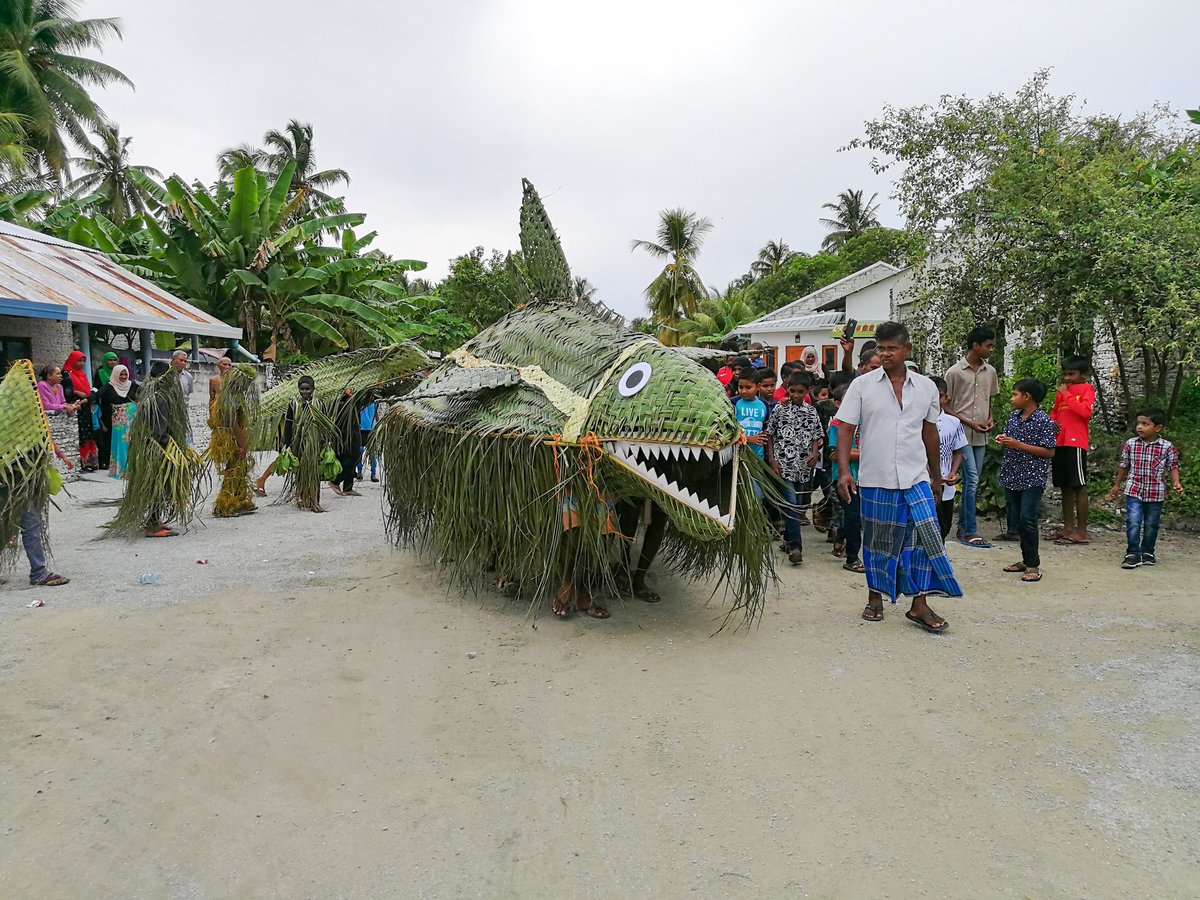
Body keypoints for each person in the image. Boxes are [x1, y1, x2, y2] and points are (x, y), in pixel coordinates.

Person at [835, 321, 959, 633]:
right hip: (876, 477)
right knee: (878, 540)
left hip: (915, 475)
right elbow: (846, 428)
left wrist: (936, 476)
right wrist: (845, 471)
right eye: (881, 348)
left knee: (923, 538)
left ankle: (919, 605)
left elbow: (930, 432)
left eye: (891, 348)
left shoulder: (927, 388)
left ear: (907, 349)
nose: (885, 354)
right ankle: (875, 597)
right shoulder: (862, 386)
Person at [106, 362, 203, 538]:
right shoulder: (162, 397)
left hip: (145, 445)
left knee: (153, 485)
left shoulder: (146, 391)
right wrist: (173, 452)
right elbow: (161, 430)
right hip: (157, 448)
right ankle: (152, 525)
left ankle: (154, 520)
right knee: (158, 485)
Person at [943, 326, 1000, 548]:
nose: (991, 349)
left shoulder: (991, 372)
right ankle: (969, 530)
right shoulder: (954, 372)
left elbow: (989, 401)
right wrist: (969, 422)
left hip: (981, 435)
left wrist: (990, 419)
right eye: (988, 345)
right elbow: (946, 406)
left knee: (972, 483)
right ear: (976, 345)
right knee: (973, 479)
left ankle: (964, 526)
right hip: (961, 434)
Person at [1106, 409, 1184, 569]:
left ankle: (1148, 551)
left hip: (1156, 492)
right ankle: (1133, 553)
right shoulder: (1131, 444)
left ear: (1158, 428)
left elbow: (1172, 466)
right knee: (1133, 521)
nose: (1139, 427)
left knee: (1151, 524)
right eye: (1138, 423)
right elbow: (1124, 465)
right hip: (1134, 489)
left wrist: (1176, 482)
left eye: (1145, 424)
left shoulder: (1167, 447)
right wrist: (1116, 485)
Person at [996, 378, 1056, 584]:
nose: (1012, 398)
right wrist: (1004, 440)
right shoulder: (1014, 417)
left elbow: (1049, 452)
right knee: (1017, 520)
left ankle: (1033, 565)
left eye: (1015, 394)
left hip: (1032, 478)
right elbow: (1012, 442)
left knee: (1028, 520)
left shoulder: (1044, 421)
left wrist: (1019, 445)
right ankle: (1025, 558)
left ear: (1027, 397)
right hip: (1012, 475)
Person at [766, 373, 824, 566]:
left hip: (804, 466)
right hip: (784, 464)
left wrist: (815, 453)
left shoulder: (811, 411)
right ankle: (796, 547)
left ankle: (788, 540)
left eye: (800, 392)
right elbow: (771, 436)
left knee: (798, 504)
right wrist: (773, 461)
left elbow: (816, 435)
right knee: (791, 502)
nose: (796, 395)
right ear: (787, 389)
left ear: (807, 391)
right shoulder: (779, 410)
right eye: (793, 391)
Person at [1050, 356, 1095, 546]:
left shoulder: (1087, 389)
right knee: (1065, 486)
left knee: (1078, 486)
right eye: (1065, 374)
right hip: (1059, 442)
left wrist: (1067, 394)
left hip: (1075, 442)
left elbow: (1085, 412)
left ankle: (1081, 531)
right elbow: (1055, 411)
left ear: (1082, 375)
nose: (1067, 378)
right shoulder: (1062, 392)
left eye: (1072, 374)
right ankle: (1068, 527)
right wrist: (1051, 421)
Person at [208, 362, 258, 517]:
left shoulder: (236, 393)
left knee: (240, 469)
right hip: (229, 437)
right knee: (232, 469)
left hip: (235, 434)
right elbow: (233, 423)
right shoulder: (228, 396)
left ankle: (240, 501)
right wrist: (243, 444)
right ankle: (223, 507)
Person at [828, 383, 864, 572]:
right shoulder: (837, 424)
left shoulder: (868, 421)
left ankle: (840, 533)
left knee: (858, 517)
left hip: (866, 476)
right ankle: (852, 558)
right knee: (854, 516)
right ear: (837, 404)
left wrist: (852, 452)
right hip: (844, 477)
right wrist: (867, 452)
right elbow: (837, 453)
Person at [931, 376, 968, 542]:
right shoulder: (915, 421)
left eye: (938, 396)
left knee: (944, 527)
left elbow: (958, 451)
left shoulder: (953, 422)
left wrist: (953, 472)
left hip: (946, 485)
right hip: (924, 483)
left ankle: (938, 563)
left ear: (946, 398)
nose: (934, 400)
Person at [98, 364, 139, 479]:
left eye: (125, 374)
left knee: (132, 441)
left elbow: (144, 393)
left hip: (132, 418)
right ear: (116, 374)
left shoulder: (132, 385)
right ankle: (120, 470)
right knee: (120, 442)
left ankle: (133, 470)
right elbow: (96, 396)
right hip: (119, 421)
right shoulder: (109, 387)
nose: (124, 376)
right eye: (121, 374)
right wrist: (82, 402)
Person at [63, 350, 99, 471]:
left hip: (85, 408)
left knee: (88, 433)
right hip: (75, 407)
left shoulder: (82, 374)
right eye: (79, 360)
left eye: (84, 361)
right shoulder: (66, 374)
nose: (82, 363)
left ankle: (90, 462)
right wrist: (76, 392)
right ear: (73, 360)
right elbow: (65, 392)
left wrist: (87, 397)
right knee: (79, 434)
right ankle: (80, 463)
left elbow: (88, 390)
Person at [329, 388, 362, 497]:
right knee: (349, 457)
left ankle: (348, 487)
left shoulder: (355, 398)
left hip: (354, 430)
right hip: (344, 432)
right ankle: (335, 481)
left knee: (353, 457)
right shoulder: (339, 401)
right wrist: (350, 396)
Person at [733, 373, 767, 460]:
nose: (743, 391)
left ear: (758, 387)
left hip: (758, 455)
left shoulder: (763, 404)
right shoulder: (734, 402)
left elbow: (765, 427)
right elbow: (729, 431)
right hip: (737, 455)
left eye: (748, 387)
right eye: (740, 387)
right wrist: (748, 439)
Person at [356, 401, 380, 481]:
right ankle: (359, 471)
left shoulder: (375, 401)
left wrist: (378, 424)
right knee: (360, 451)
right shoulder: (360, 400)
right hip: (361, 428)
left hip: (372, 429)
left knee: (372, 452)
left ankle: (373, 473)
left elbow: (376, 413)